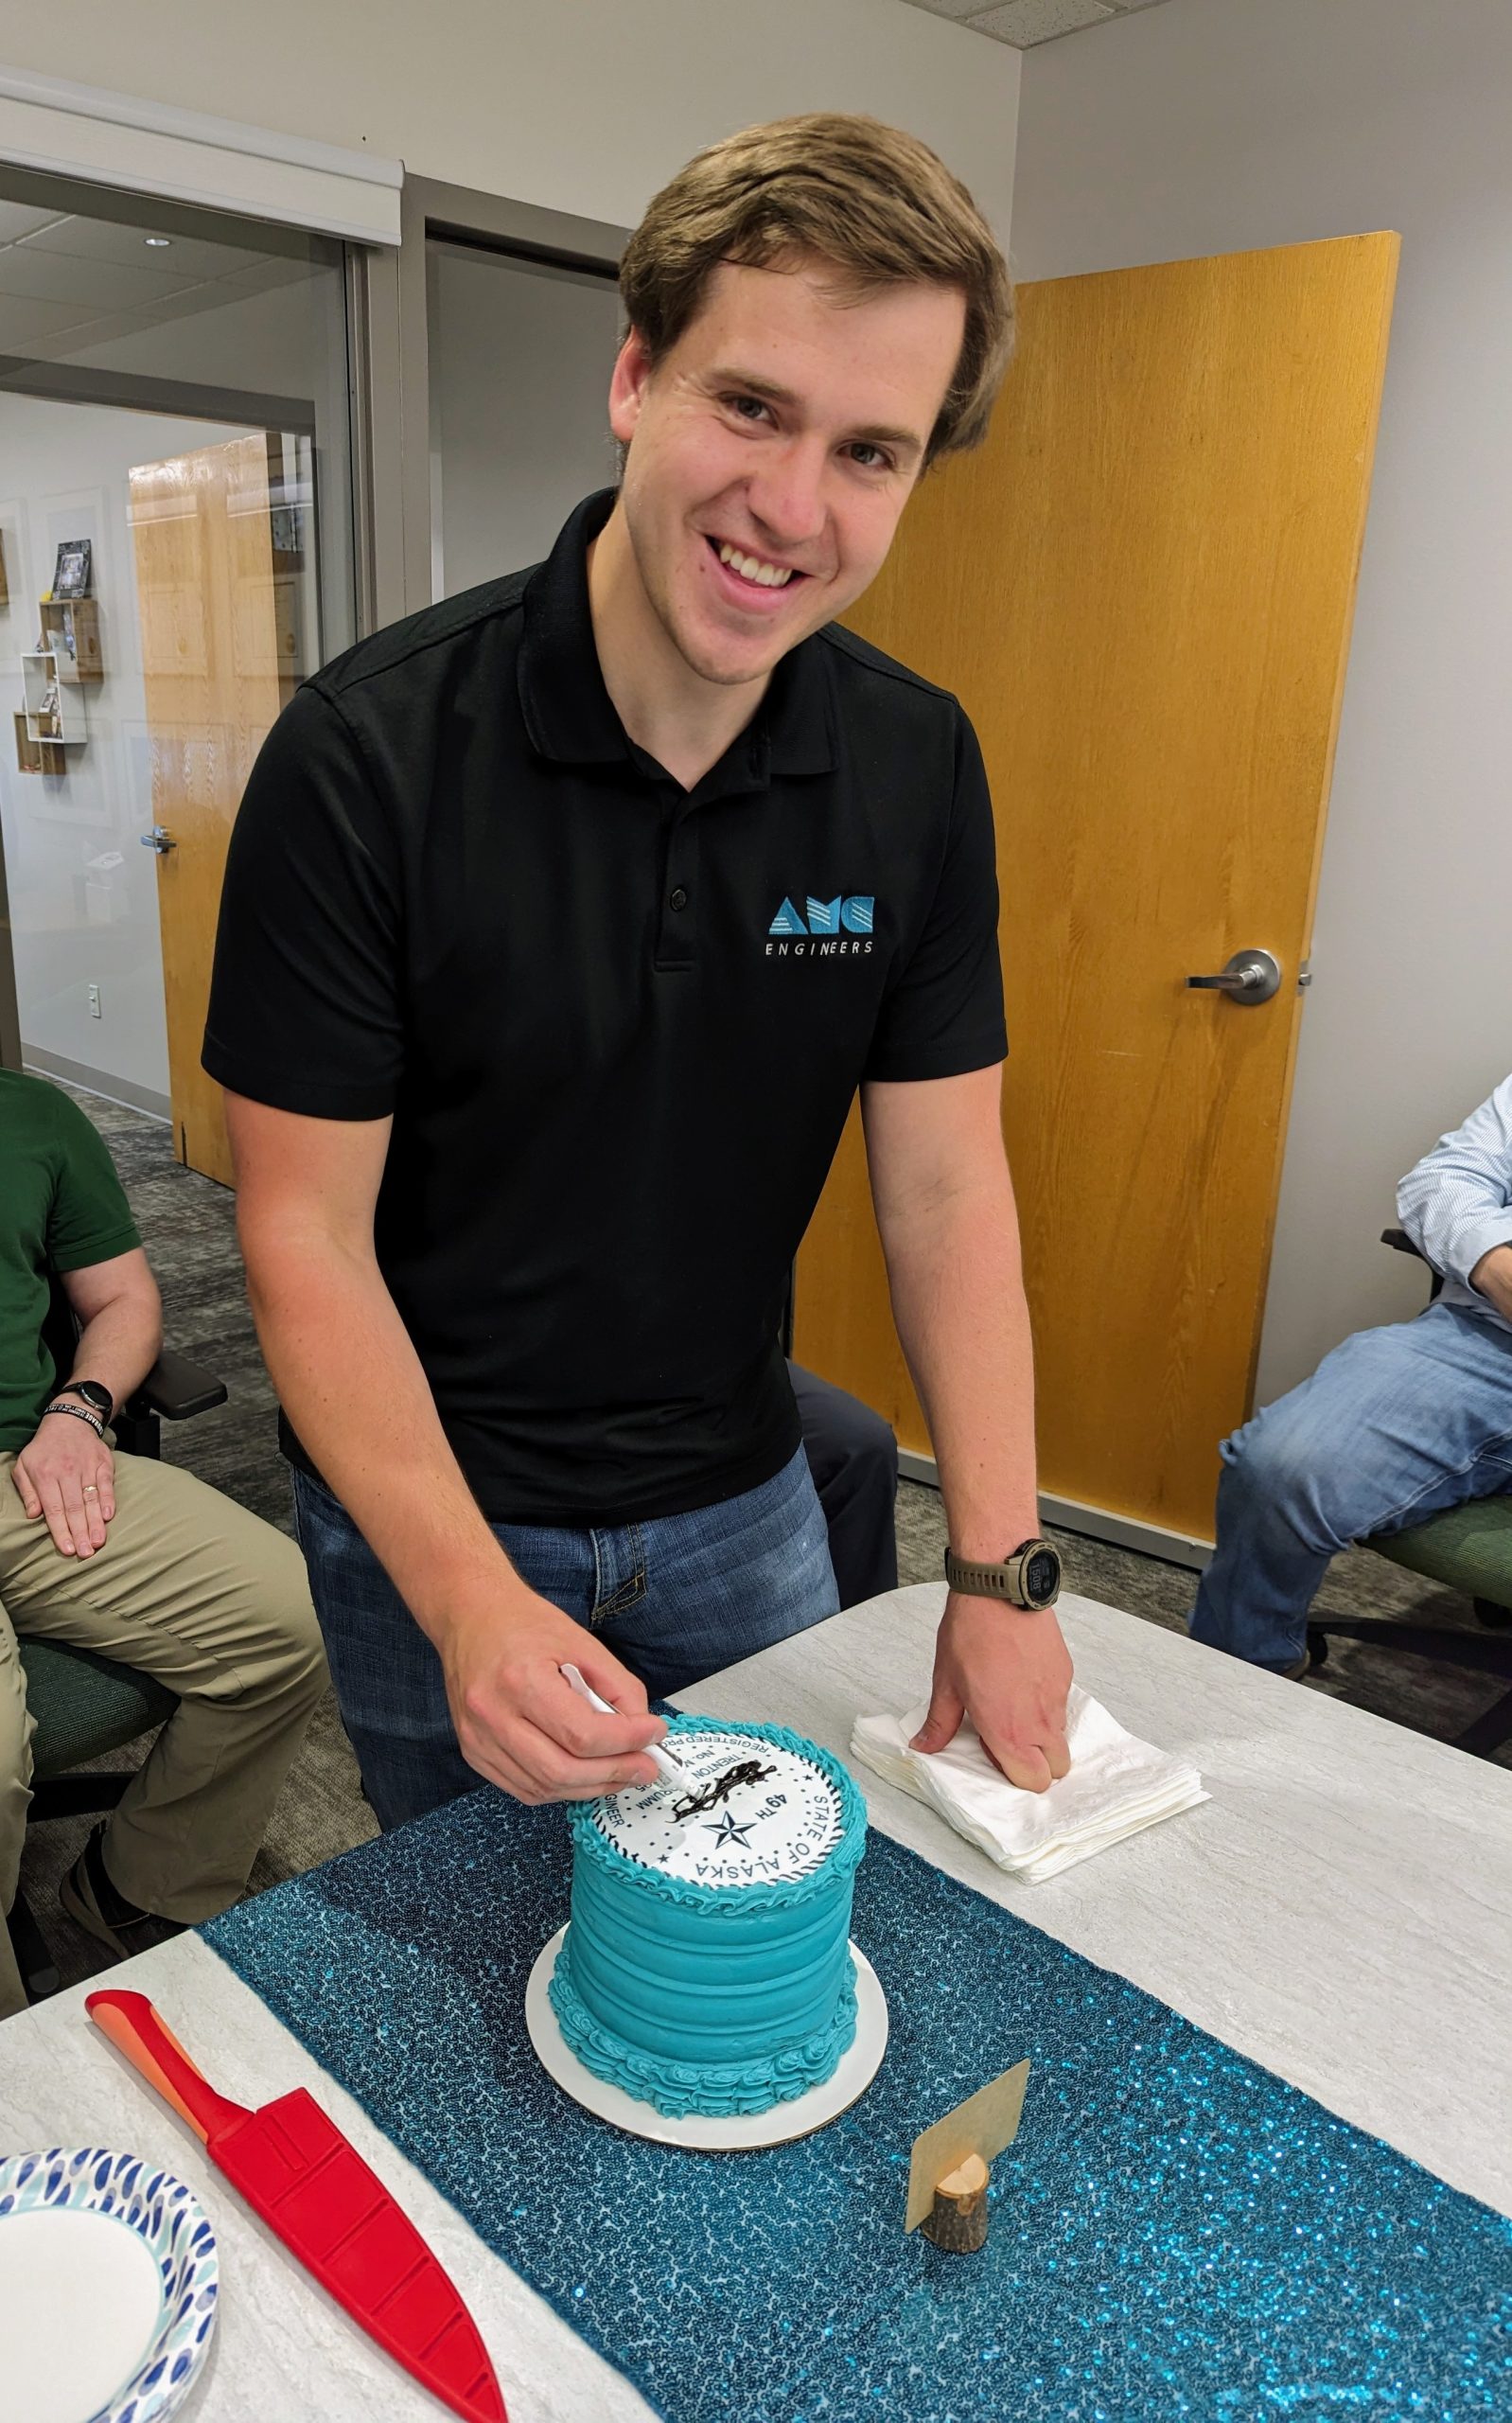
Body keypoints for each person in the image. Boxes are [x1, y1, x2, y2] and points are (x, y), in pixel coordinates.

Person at [203, 113, 1072, 1832]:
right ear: (633, 380)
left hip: (741, 1498)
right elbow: (303, 1231)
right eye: (749, 406)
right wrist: (467, 1599)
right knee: (469, 1937)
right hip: (430, 1507)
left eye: (870, 451)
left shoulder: (911, 764)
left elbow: (945, 1187)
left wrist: (1000, 1571)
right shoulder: (368, 755)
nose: (792, 509)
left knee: (771, 1910)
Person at [0, 1070, 326, 2018]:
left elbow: (122, 1299)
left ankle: (139, 1887)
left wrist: (79, 1407)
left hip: (33, 1467)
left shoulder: (35, 1115)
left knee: (290, 1617)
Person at [1190, 1074, 1512, 1671]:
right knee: (1283, 1469)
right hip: (1491, 1343)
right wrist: (1496, 1264)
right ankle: (1242, 1677)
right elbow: (1446, 1180)